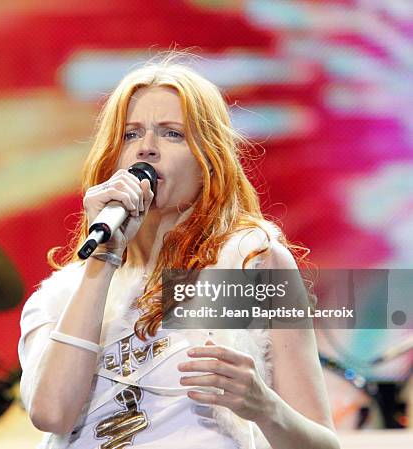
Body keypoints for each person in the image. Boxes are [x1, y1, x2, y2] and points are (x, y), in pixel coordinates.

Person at [17, 55, 340, 449]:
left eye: (172, 134)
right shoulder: (63, 296)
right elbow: (51, 413)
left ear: (209, 159)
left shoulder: (245, 265)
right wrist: (102, 262)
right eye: (131, 134)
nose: (146, 150)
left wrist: (264, 407)